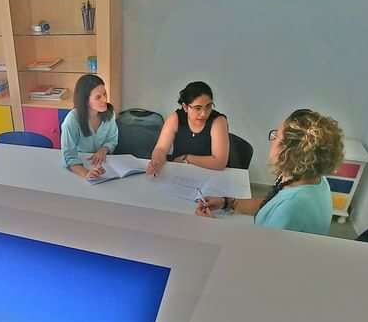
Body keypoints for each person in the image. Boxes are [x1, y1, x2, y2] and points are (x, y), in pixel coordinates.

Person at [196, 108, 344, 235]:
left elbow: (258, 251)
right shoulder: (313, 179)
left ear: (289, 152)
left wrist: (212, 226)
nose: (272, 140)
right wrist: (228, 203)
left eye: (276, 136)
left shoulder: (292, 209)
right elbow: (270, 204)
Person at [147, 81, 229, 176]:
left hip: (209, 175)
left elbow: (220, 162)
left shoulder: (218, 121)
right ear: (185, 107)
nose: (204, 113)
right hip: (179, 174)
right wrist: (156, 161)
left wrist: (187, 158)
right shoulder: (175, 118)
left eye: (208, 106)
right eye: (198, 108)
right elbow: (161, 148)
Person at [61, 74, 118, 180]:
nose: (104, 100)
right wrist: (86, 173)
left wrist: (104, 149)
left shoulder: (109, 114)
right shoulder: (71, 121)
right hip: (80, 165)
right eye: (98, 97)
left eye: (105, 94)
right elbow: (69, 155)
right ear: (86, 100)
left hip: (104, 163)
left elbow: (112, 140)